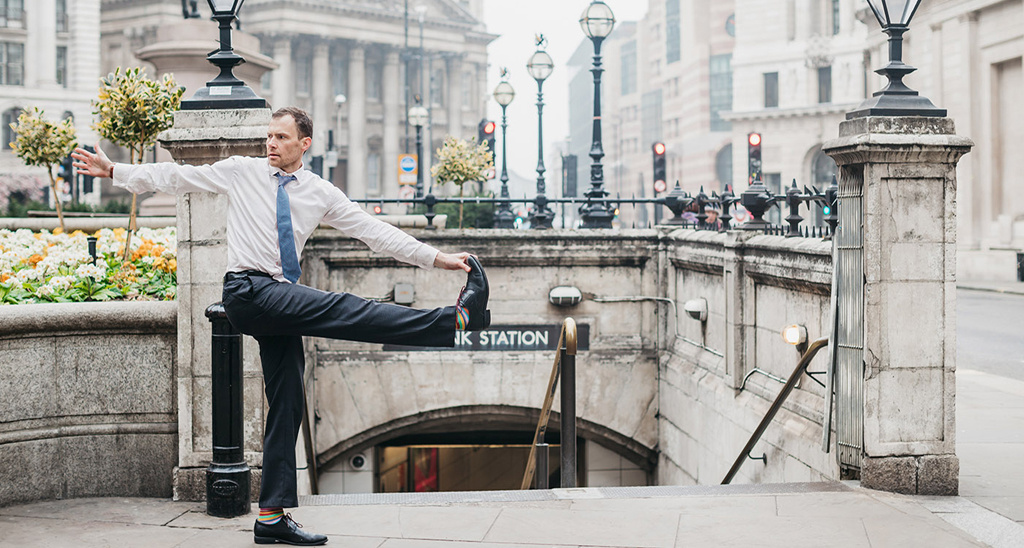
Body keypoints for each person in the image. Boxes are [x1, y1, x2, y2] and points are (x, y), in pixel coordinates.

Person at [72, 106, 490, 547]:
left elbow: (375, 232)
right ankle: (455, 322)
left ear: (303, 144)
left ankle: (270, 516)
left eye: (281, 138)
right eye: (268, 136)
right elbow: (178, 177)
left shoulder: (320, 192)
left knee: (288, 399)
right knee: (347, 309)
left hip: (277, 298)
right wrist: (116, 169)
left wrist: (440, 259)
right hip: (248, 291)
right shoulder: (242, 171)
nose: (270, 144)